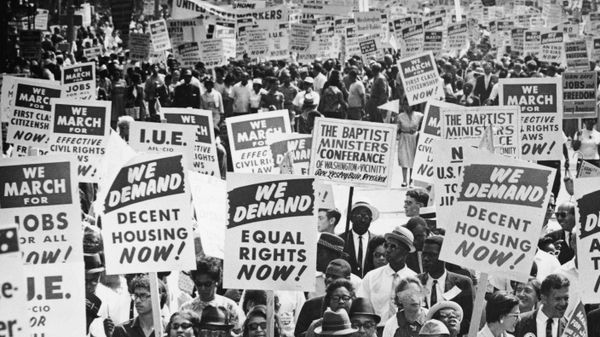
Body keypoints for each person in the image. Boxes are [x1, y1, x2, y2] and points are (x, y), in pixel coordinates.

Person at [359, 226, 417, 330]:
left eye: (393, 247)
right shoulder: (371, 277)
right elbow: (362, 309)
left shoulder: (415, 280)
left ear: (405, 251)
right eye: (387, 246)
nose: (388, 250)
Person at [417, 236, 474, 336]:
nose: (426, 259)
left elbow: (470, 320)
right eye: (424, 254)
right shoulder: (415, 283)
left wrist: (450, 328)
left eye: (432, 255)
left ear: (444, 256)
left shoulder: (463, 283)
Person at [180, 257, 246, 335]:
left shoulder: (230, 306)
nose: (203, 288)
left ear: (216, 282)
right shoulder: (186, 308)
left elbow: (239, 333)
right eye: (199, 284)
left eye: (207, 284)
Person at [296, 260, 354, 337]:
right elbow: (298, 334)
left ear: (348, 279)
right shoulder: (310, 305)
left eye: (334, 277)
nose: (329, 279)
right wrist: (315, 329)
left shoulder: (356, 306)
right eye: (327, 276)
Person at [340, 201, 380, 277]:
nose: (363, 220)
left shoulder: (377, 241)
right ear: (351, 218)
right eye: (359, 216)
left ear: (371, 220)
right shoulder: (341, 239)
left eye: (366, 217)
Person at [397, 98, 423, 187]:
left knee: (413, 159)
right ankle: (404, 180)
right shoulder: (400, 116)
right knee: (404, 158)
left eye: (407, 104)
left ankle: (411, 180)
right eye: (404, 104)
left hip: (414, 138)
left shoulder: (419, 115)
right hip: (404, 137)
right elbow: (396, 128)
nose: (406, 106)